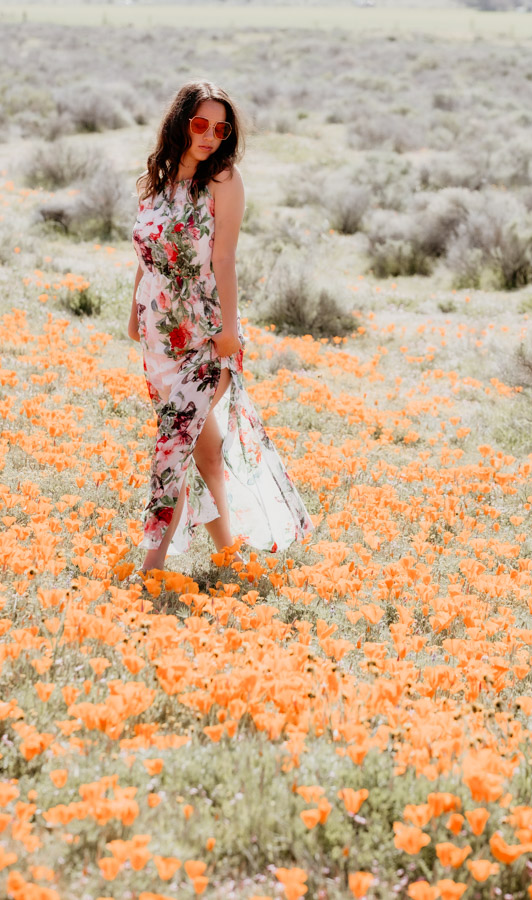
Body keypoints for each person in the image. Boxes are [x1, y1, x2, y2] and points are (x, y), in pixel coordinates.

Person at [128, 80, 314, 575]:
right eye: (200, 124)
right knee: (204, 452)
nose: (210, 136)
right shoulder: (157, 178)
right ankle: (227, 555)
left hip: (205, 336)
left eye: (220, 127)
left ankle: (152, 566)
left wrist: (229, 332)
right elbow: (148, 256)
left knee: (173, 443)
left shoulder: (224, 181)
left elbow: (225, 258)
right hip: (158, 337)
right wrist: (133, 312)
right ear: (180, 123)